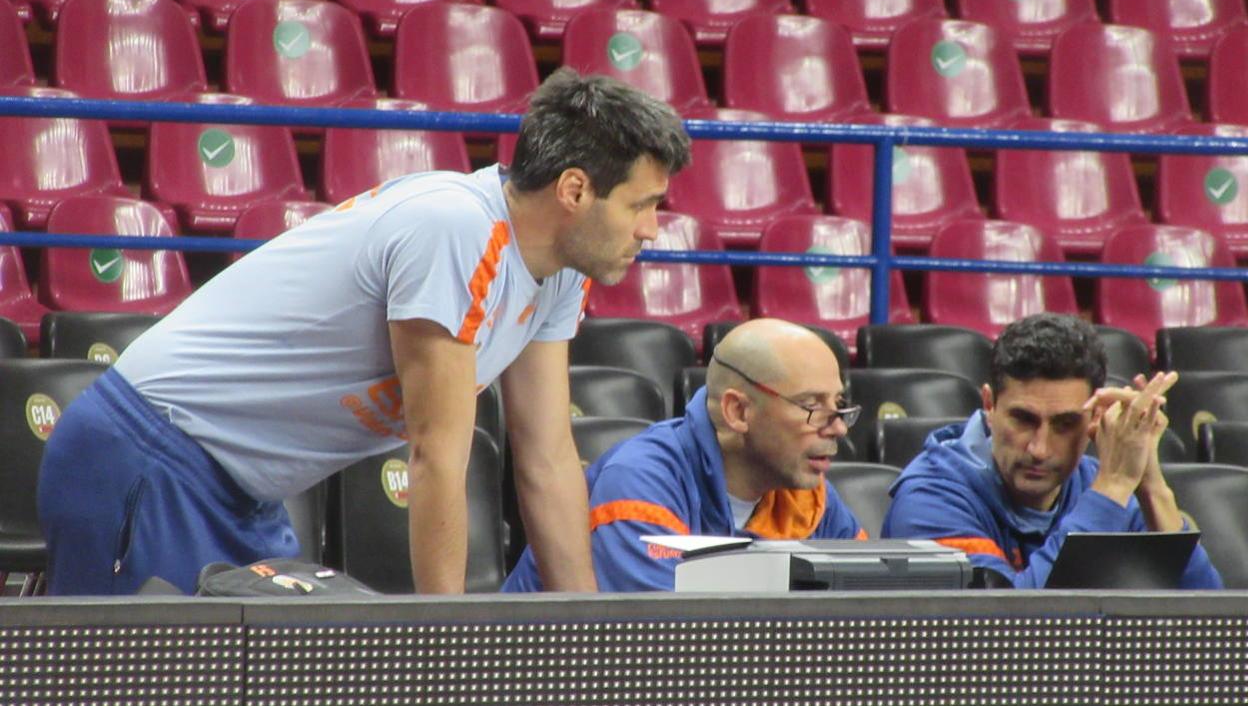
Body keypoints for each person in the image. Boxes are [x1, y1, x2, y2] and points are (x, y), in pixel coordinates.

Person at [37, 68, 692, 596]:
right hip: (147, 452)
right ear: (575, 190)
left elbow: (547, 460)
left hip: (244, 490)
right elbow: (437, 454)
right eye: (641, 204)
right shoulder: (455, 227)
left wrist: (589, 634)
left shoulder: (557, 270)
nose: (651, 230)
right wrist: (446, 645)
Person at [503, 318, 867, 592]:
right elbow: (669, 648)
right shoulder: (638, 483)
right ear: (738, 412)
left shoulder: (808, 494)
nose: (838, 428)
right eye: (810, 405)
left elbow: (875, 600)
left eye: (838, 405)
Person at [881, 313, 1222, 589]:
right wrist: (1114, 485)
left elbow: (1212, 636)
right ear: (989, 404)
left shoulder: (1104, 489)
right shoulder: (930, 498)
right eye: (1023, 419)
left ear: (1095, 419)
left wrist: (1151, 486)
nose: (1040, 449)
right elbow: (1008, 635)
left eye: (1064, 424)